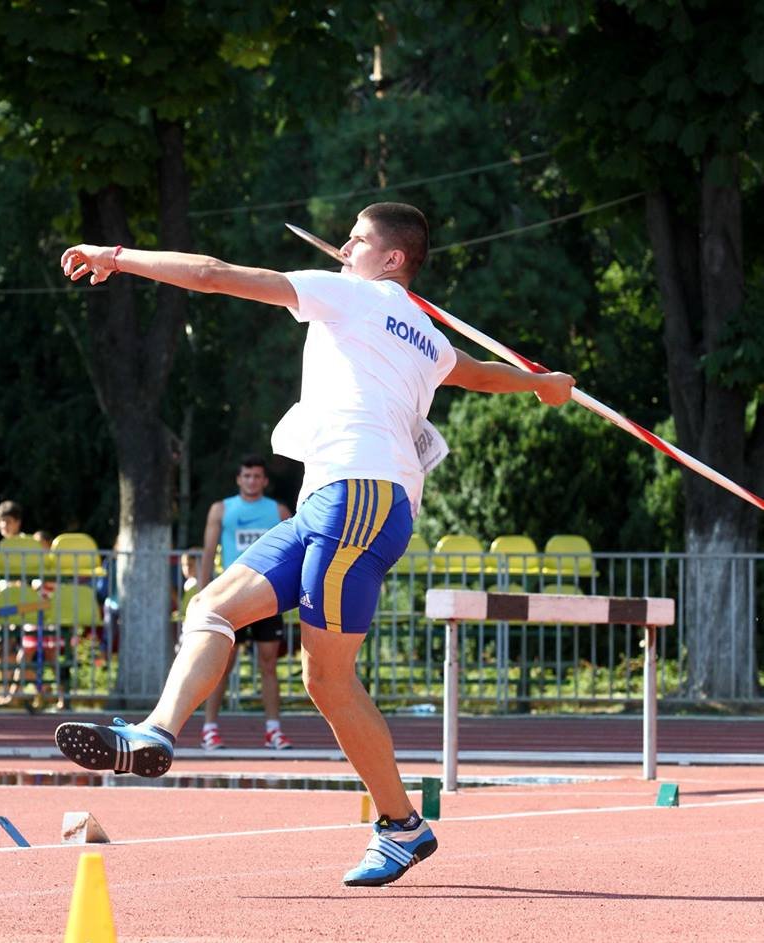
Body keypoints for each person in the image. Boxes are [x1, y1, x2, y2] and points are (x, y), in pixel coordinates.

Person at [54, 201, 575, 887]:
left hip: (359, 494)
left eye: (355, 240)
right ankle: (155, 731)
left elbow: (212, 274)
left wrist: (116, 257)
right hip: (335, 503)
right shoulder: (424, 333)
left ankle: (401, 825)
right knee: (211, 607)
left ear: (391, 259)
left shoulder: (349, 297)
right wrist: (542, 386)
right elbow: (479, 372)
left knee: (326, 677)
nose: (341, 249)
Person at [197, 455, 293, 751]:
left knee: (268, 664)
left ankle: (273, 730)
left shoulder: (278, 511)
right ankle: (210, 728)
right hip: (231, 598)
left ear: (264, 480)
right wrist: (202, 594)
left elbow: (292, 554)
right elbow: (208, 552)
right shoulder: (222, 509)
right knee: (221, 665)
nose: (252, 481)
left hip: (267, 596)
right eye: (246, 476)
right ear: (239, 479)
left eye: (257, 476)